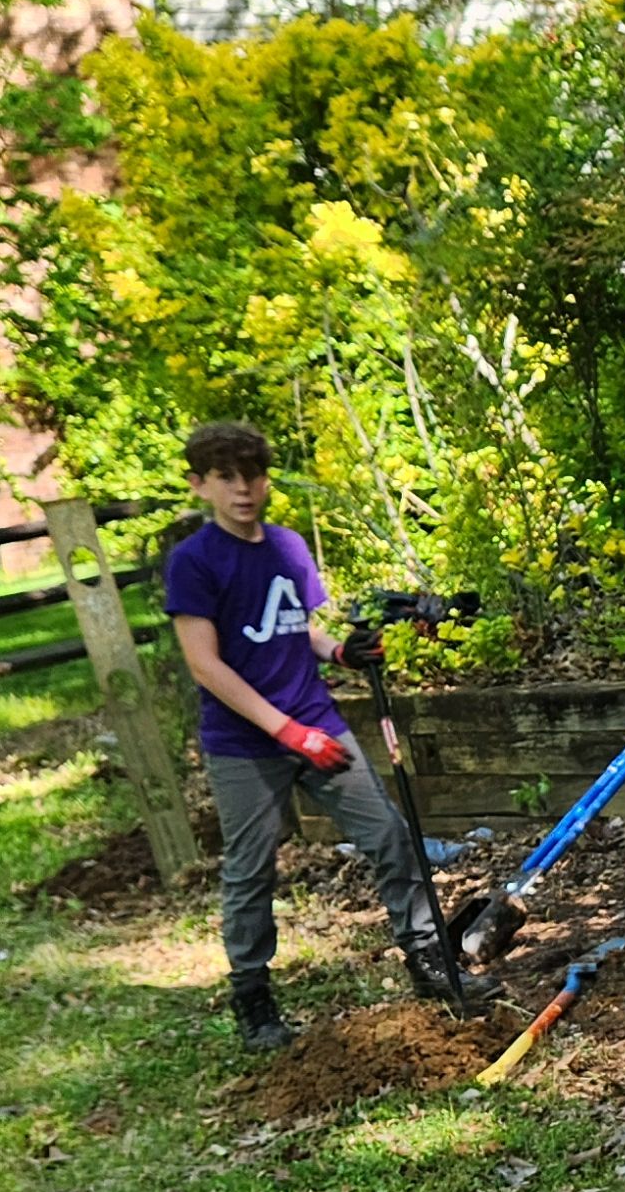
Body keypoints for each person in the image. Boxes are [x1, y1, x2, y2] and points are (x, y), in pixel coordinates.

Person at [162, 420, 493, 1050]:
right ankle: (253, 998)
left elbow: (295, 628)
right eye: (226, 478)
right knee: (252, 868)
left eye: (253, 476)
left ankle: (430, 963)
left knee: (390, 836)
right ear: (199, 485)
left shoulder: (286, 547)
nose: (244, 490)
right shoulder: (194, 563)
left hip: (319, 726)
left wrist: (341, 651)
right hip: (247, 745)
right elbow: (206, 665)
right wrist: (290, 733)